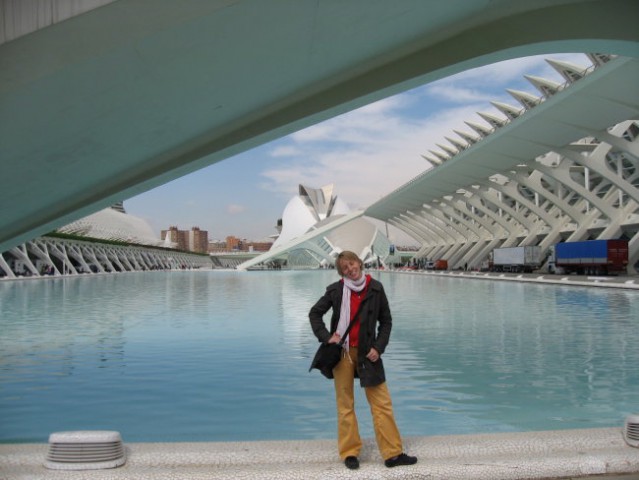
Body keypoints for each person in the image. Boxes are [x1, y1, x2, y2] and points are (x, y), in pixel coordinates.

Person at [309, 250, 417, 470]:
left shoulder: (376, 289)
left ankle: (392, 454)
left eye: (351, 264)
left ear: (359, 262)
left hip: (369, 353)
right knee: (345, 404)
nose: (350, 269)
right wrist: (328, 337)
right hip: (343, 353)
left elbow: (386, 321)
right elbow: (314, 314)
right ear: (342, 273)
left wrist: (379, 347)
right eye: (345, 268)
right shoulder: (336, 290)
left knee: (382, 403)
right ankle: (350, 452)